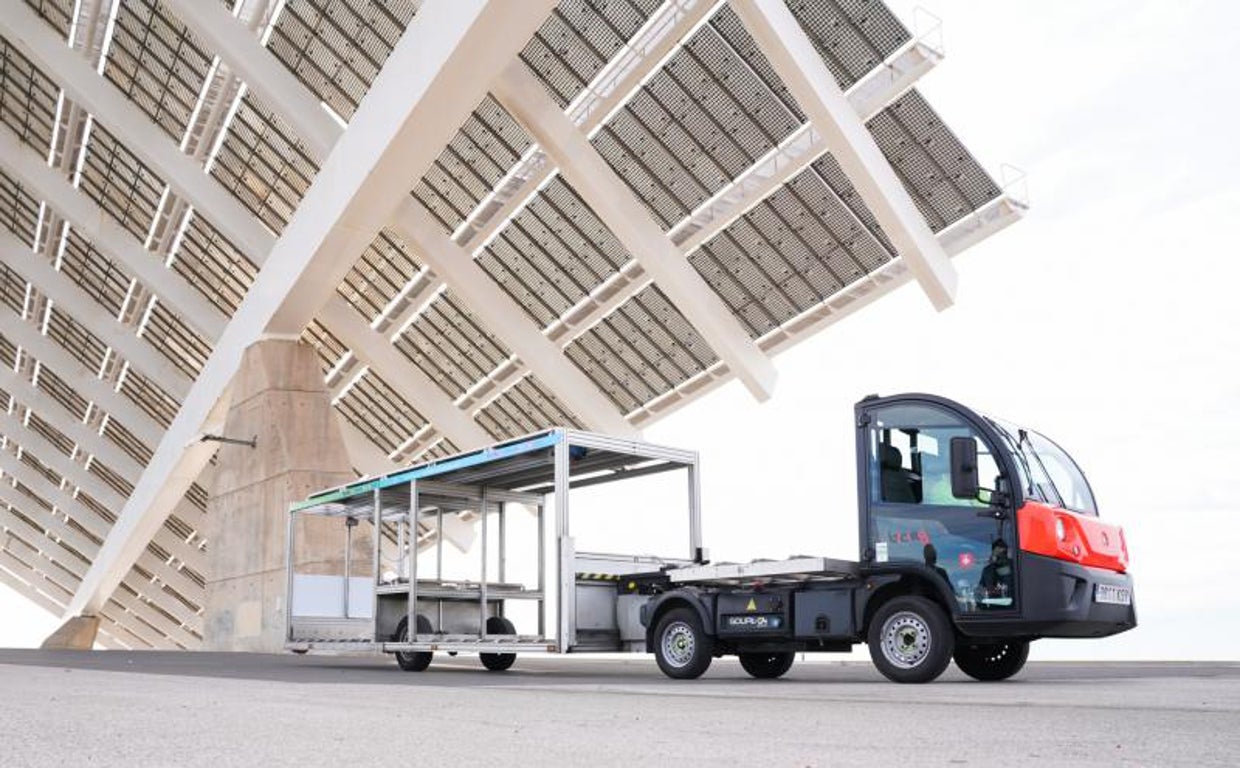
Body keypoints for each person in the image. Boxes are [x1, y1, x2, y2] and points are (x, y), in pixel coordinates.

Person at [977, 539, 1014, 606]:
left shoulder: (1015, 567)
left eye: (1003, 553)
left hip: (1013, 607)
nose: (1000, 557)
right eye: (997, 554)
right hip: (992, 609)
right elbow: (980, 592)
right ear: (993, 553)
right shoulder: (987, 571)